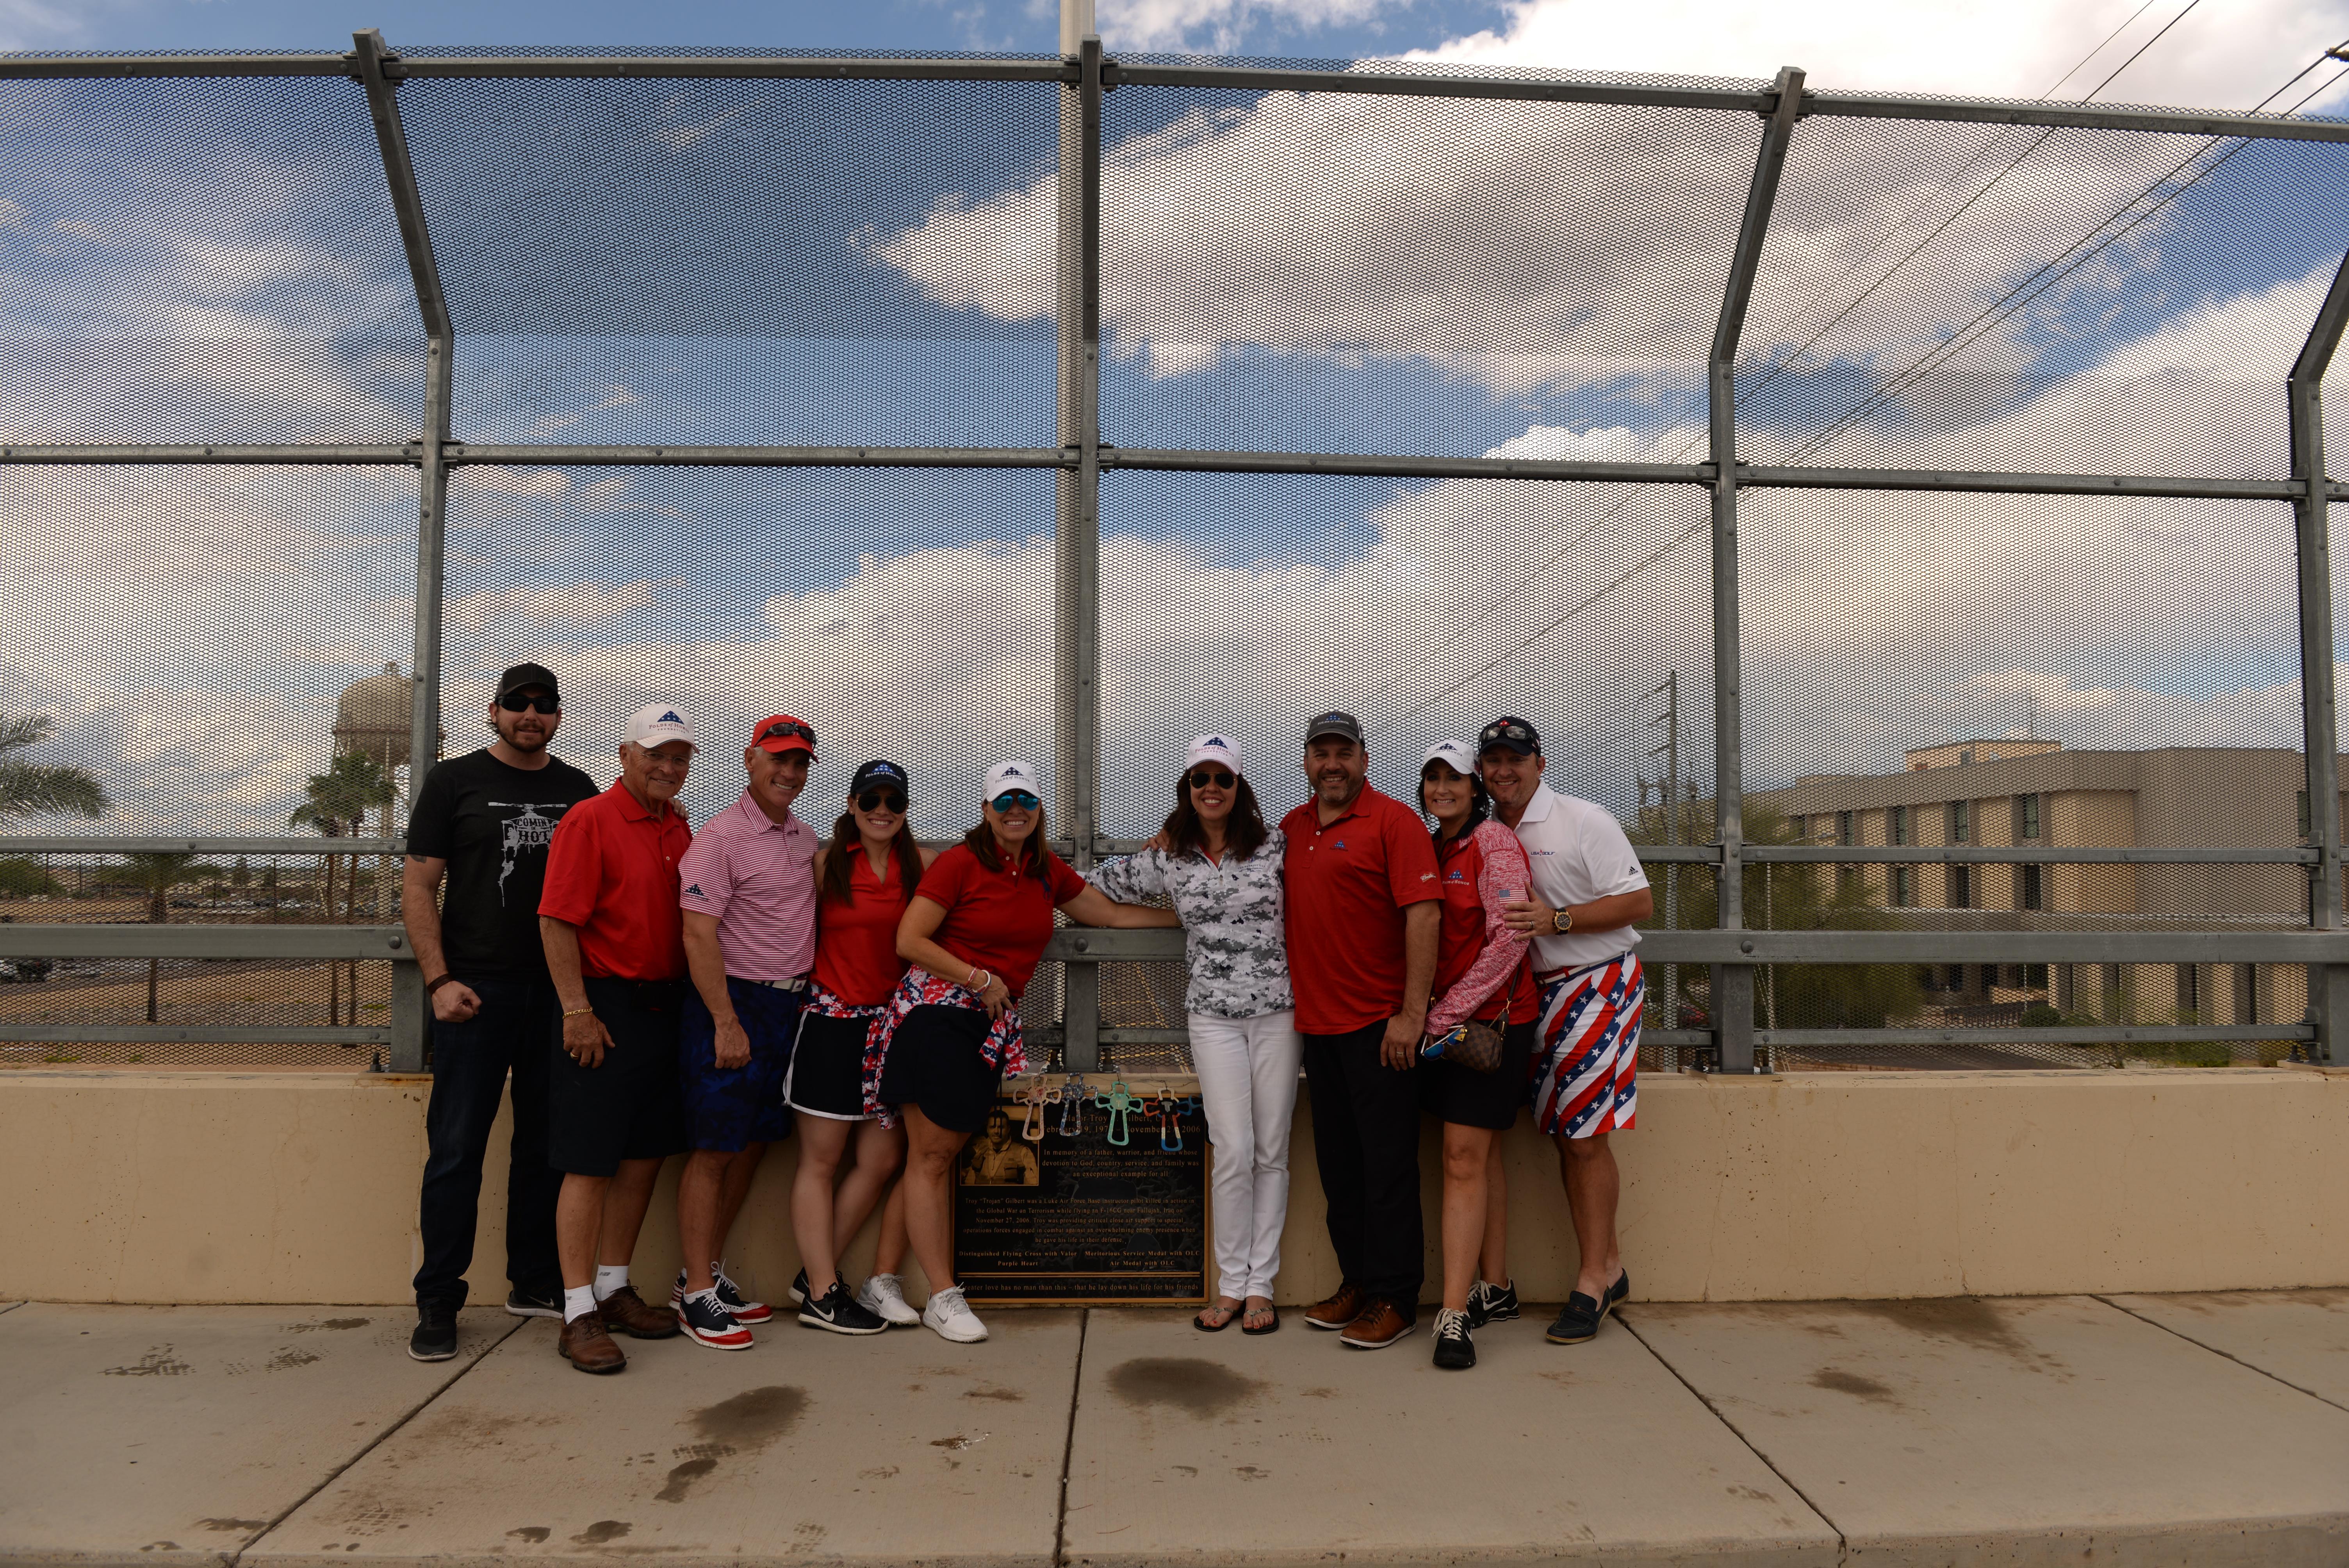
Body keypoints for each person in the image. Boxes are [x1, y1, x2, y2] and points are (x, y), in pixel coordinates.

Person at [880, 760, 1178, 1344]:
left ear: (1039, 809)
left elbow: (1109, 912)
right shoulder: (961, 864)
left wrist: (1193, 918)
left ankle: (881, 1279)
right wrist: (978, 977)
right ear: (986, 810)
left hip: (983, 1025)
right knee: (933, 1158)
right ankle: (942, 1295)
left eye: (1027, 799)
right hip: (939, 1018)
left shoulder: (1044, 870)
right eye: (1004, 799)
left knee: (930, 1157)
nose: (1016, 809)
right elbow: (909, 939)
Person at [402, 662, 598, 1362]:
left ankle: (535, 1280)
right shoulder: (453, 782)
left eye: (545, 706)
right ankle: (438, 1299)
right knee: (457, 1149)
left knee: (546, 1146)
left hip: (557, 996)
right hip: (475, 996)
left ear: (557, 717)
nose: (532, 715)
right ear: (494, 711)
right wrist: (439, 980)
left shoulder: (578, 790)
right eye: (519, 704)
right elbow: (420, 888)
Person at [1089, 734, 1296, 1336]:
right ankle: (1231, 1285)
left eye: (1223, 779)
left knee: (1271, 1151)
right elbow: (1099, 886)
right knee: (1232, 1149)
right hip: (1212, 1017)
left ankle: (1262, 1286)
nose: (1211, 788)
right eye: (1200, 779)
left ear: (1240, 788)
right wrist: (1169, 911)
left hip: (1279, 1014)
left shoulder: (1276, 846)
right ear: (1187, 789)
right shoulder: (1168, 857)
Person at [1478, 716, 1652, 1347]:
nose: (1504, 770)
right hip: (1539, 993)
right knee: (1563, 1135)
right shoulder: (1491, 830)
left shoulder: (1584, 820)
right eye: (1493, 760)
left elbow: (1637, 903)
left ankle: (1592, 1280)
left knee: (1581, 1138)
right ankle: (1609, 1265)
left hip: (1597, 980)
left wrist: (1558, 919)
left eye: (1515, 759)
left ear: (1539, 763)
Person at [535, 703, 698, 1374]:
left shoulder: (679, 826)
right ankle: (577, 1311)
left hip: (665, 1010)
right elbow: (556, 920)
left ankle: (613, 1286)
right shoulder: (590, 820)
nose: (667, 767)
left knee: (642, 1159)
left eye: (679, 756)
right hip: (603, 1007)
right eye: (656, 753)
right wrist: (576, 1009)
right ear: (625, 754)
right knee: (591, 1162)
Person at [1281, 712, 1440, 1350]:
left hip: (1380, 1028)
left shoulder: (1394, 822)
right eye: (1320, 753)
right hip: (1316, 1029)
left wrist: (1411, 1014)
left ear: (1364, 760)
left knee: (1388, 1168)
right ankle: (1358, 1281)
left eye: (1342, 752)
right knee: (1340, 1169)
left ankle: (1396, 1296)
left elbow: (1424, 917)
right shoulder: (1292, 828)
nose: (1332, 764)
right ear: (1306, 763)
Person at [669, 716, 822, 1349]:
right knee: (712, 1149)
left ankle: (702, 1272)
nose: (788, 773)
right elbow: (697, 933)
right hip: (732, 1003)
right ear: (749, 761)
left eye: (800, 763)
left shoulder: (803, 837)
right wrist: (725, 1021)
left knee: (752, 1143)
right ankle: (695, 1295)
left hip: (788, 1009)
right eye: (778, 761)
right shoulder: (720, 837)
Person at [788, 758, 932, 1332]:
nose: (881, 811)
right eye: (870, 800)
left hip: (889, 1028)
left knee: (881, 1160)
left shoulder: (919, 868)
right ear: (851, 805)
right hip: (830, 1023)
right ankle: (825, 1293)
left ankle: (809, 1276)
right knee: (821, 1161)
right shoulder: (824, 865)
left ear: (904, 811)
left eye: (893, 802)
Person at [1414, 739, 1537, 1371]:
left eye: (1455, 778)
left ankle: (1454, 1314)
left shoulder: (1492, 842)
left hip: (1487, 1023)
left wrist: (1444, 1012)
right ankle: (1497, 1286)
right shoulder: (1435, 846)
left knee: (1461, 1158)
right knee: (1478, 1154)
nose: (1443, 787)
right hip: (1451, 1025)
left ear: (1475, 787)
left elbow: (1509, 941)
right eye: (1432, 777)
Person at [959, 1109, 1039, 1185]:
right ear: (987, 1130)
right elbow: (969, 1184)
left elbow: (1032, 1187)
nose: (997, 1132)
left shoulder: (1023, 1153)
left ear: (1008, 1129)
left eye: (1001, 1127)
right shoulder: (980, 1151)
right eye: (992, 1127)